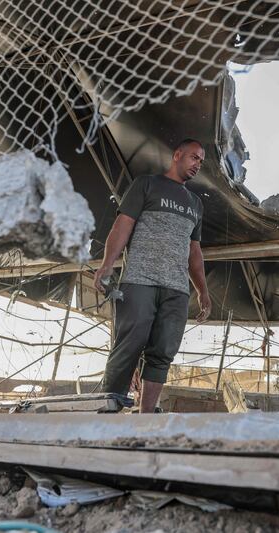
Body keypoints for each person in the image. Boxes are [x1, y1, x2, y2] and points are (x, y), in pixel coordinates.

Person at [95, 139, 212, 413]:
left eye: (201, 161)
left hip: (177, 290)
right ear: (177, 155)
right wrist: (107, 264)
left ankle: (146, 415)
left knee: (163, 352)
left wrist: (203, 292)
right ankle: (109, 411)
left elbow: (194, 252)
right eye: (194, 157)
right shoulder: (146, 185)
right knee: (129, 344)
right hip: (139, 280)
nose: (198, 164)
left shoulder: (195, 204)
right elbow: (122, 226)